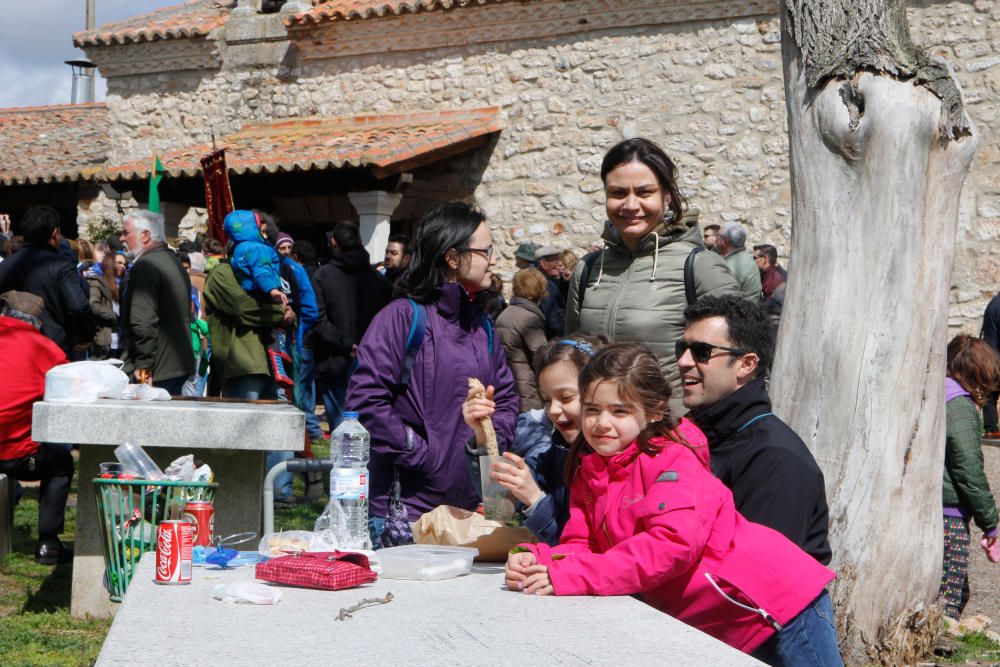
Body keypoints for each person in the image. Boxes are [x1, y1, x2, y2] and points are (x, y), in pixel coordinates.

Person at [504, 344, 841, 665]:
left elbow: (671, 545)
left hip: (777, 604)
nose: (601, 422)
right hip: (725, 618)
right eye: (592, 409)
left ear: (654, 412)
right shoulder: (591, 470)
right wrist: (540, 560)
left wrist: (571, 575)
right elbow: (584, 544)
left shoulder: (673, 459)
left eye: (619, 411)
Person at [346, 202, 518, 539]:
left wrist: (486, 442)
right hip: (404, 513)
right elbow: (366, 401)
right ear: (453, 258)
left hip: (467, 513)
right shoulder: (401, 319)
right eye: (486, 251)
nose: (493, 260)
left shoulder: (483, 327)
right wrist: (423, 453)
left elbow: (508, 400)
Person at [565, 137, 738, 408]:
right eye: (618, 193)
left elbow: (739, 363)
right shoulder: (588, 269)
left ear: (666, 195)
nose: (631, 205)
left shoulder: (700, 268)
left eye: (644, 192)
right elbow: (573, 357)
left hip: (674, 436)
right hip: (600, 435)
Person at [678, 295, 832, 564]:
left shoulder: (776, 459)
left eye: (702, 352)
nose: (683, 361)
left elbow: (755, 574)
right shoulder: (693, 433)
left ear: (747, 364)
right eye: (681, 347)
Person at [491, 335, 606, 546]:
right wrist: (483, 435)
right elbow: (499, 510)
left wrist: (535, 500)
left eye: (566, 398)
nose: (553, 410)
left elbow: (582, 546)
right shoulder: (553, 453)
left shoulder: (621, 463)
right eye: (546, 400)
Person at [0, 291, 73, 564]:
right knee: (61, 464)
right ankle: (49, 545)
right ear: (37, 322)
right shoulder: (44, 348)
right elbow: (69, 388)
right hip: (16, 453)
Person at [940, 335, 1000, 620]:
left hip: (933, 508)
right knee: (949, 600)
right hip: (947, 515)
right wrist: (991, 524)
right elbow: (969, 471)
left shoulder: (937, 392)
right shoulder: (959, 405)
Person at [311, 221, 393, 431]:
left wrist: (349, 346)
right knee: (365, 426)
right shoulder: (378, 279)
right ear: (360, 242)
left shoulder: (323, 275)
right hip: (366, 358)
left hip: (340, 357)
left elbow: (317, 319)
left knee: (343, 429)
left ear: (333, 243)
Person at [0, 205, 95, 355]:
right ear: (55, 233)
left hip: (13, 349)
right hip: (54, 349)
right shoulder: (62, 266)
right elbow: (78, 306)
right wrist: (84, 338)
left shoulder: (5, 266)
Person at [120, 210, 194, 395]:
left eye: (126, 232)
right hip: (176, 363)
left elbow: (143, 321)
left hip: (157, 368)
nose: (122, 238)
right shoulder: (173, 261)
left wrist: (144, 368)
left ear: (145, 235)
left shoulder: (147, 265)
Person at [496, 268, 549, 411]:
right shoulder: (529, 319)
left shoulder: (506, 313)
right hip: (526, 390)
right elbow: (542, 355)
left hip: (509, 383)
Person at [223, 210, 287, 307]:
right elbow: (261, 269)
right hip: (265, 293)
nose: (265, 235)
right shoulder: (258, 248)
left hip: (248, 293)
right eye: (260, 229)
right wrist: (272, 290)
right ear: (251, 227)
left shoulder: (237, 249)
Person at [714, 222, 761, 301]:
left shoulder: (729, 267)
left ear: (725, 241)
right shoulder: (747, 258)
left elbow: (719, 297)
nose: (715, 238)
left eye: (718, 235)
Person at [86, 253, 121, 360]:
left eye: (125, 263)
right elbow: (93, 305)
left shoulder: (124, 283)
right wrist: (114, 317)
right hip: (105, 339)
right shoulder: (97, 282)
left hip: (122, 341)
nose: (123, 266)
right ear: (110, 264)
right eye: (119, 263)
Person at [534, 246, 567, 339]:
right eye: (555, 260)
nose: (559, 263)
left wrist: (565, 282)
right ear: (543, 264)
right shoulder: (544, 285)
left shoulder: (549, 281)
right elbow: (552, 320)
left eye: (559, 259)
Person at [981, 292, 1000, 437]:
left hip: (992, 354)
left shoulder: (993, 304)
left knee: (990, 393)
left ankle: (991, 429)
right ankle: (991, 430)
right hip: (996, 354)